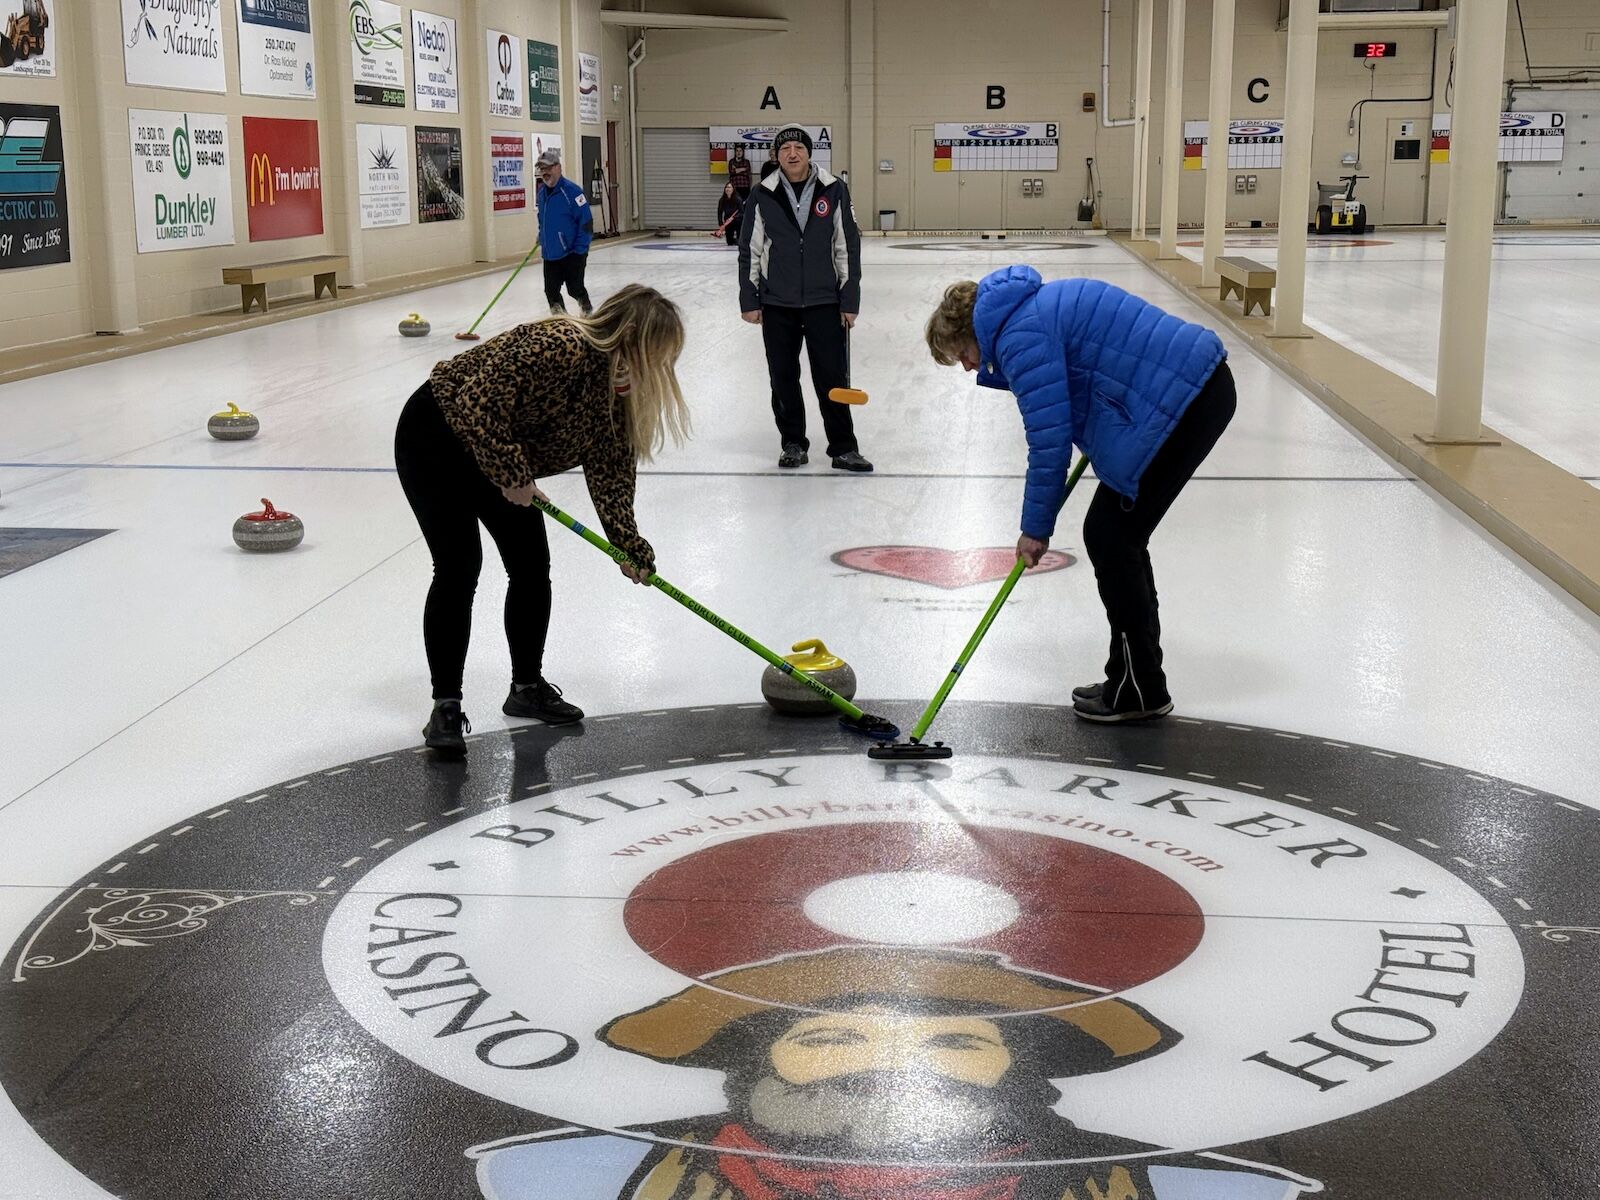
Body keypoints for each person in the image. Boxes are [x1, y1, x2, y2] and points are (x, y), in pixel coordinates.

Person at [925, 266, 1235, 723]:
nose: (970, 366)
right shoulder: (1027, 312)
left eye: (962, 355)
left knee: (1112, 536)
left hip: (1185, 399)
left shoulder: (1019, 337)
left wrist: (1035, 530)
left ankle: (1139, 686)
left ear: (970, 331)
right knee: (1115, 535)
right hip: (1183, 391)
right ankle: (1134, 678)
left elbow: (1049, 440)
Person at [394, 285, 690, 756]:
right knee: (458, 566)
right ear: (631, 335)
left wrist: (628, 545)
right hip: (436, 438)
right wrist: (513, 475)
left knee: (531, 568)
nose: (660, 368)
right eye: (657, 353)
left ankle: (526, 688)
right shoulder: (558, 344)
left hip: (499, 456)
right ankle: (445, 706)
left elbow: (611, 472)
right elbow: (478, 403)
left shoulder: (617, 395)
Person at [738, 123, 872, 472]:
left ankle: (843, 448)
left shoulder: (834, 190)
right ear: (776, 156)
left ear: (809, 152)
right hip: (777, 302)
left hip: (824, 301)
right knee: (782, 377)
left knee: (831, 376)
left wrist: (849, 299)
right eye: (784, 149)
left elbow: (847, 246)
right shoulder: (761, 194)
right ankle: (793, 443)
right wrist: (750, 298)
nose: (792, 154)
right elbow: (749, 250)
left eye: (798, 147)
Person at [534, 148, 593, 316]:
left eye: (548, 168)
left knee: (574, 289)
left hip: (573, 251)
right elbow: (542, 218)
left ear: (558, 168)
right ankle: (561, 321)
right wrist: (542, 235)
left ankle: (587, 311)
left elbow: (586, 222)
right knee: (551, 291)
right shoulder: (542, 194)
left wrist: (580, 249)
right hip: (551, 253)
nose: (545, 173)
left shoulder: (573, 192)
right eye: (542, 169)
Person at [715, 180, 742, 246]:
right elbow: (719, 212)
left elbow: (742, 212)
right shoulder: (722, 200)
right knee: (729, 243)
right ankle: (735, 240)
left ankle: (739, 240)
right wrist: (721, 223)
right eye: (726, 187)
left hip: (738, 221)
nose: (728, 189)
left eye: (729, 187)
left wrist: (734, 217)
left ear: (733, 189)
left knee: (739, 243)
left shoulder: (738, 199)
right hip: (728, 222)